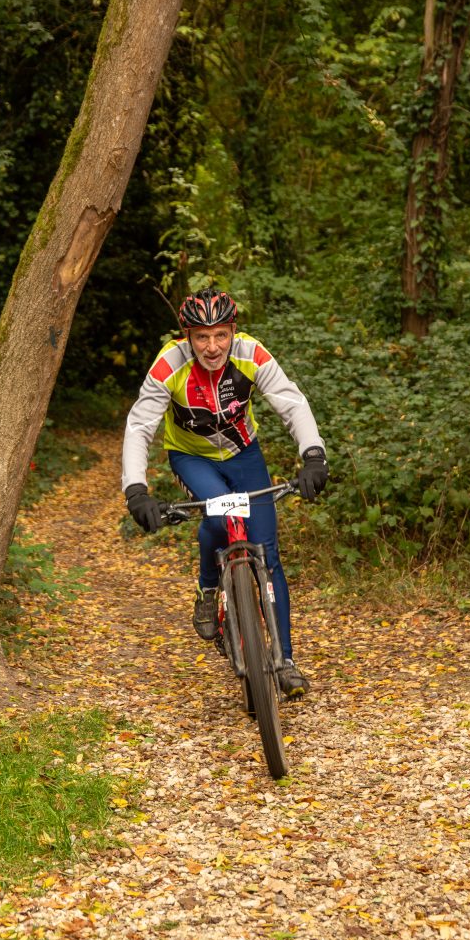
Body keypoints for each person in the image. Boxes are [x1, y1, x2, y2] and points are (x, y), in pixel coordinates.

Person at [121, 287, 328, 697]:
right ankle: (208, 586)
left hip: (244, 453)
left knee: (267, 551)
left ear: (233, 331)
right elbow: (140, 426)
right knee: (219, 516)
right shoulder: (169, 365)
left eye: (220, 335)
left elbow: (291, 402)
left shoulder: (251, 354)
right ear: (187, 336)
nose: (212, 347)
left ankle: (284, 661)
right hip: (191, 458)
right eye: (202, 337)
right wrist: (136, 490)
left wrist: (313, 454)